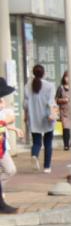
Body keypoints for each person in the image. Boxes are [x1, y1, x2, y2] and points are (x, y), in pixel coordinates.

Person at [24, 64, 56, 174]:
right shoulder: (49, 86)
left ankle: (34, 155)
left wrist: (25, 116)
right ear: (44, 73)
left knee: (36, 142)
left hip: (34, 117)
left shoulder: (27, 86)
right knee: (48, 142)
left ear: (33, 73)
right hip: (46, 117)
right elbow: (51, 102)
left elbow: (25, 104)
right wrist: (53, 114)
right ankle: (47, 167)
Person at [0, 77, 22, 214]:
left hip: (2, 146)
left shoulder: (2, 105)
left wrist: (14, 128)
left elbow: (5, 122)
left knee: (10, 169)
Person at [55, 71, 71, 151]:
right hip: (64, 112)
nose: (67, 79)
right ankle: (66, 145)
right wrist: (63, 100)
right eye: (66, 77)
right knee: (66, 128)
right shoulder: (60, 88)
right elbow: (56, 100)